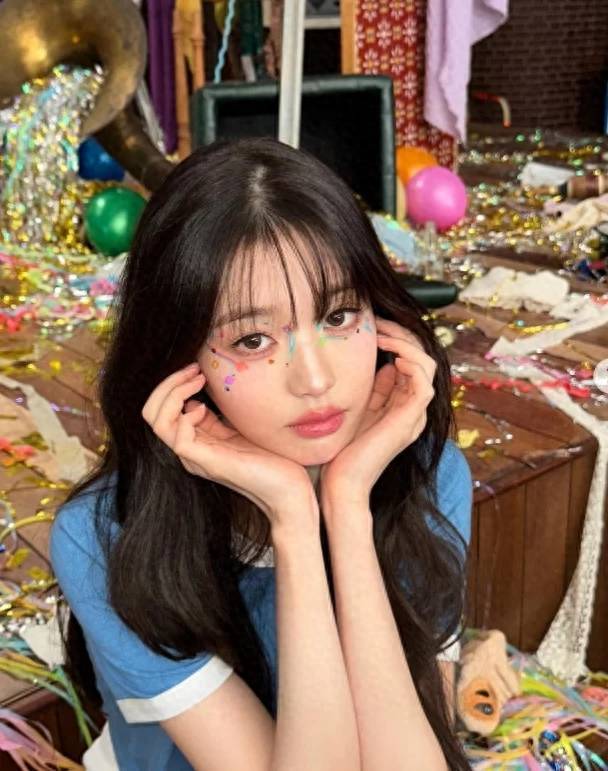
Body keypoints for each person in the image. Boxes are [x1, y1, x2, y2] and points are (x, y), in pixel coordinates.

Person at [50, 137, 473, 770]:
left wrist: (347, 505)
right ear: (180, 360)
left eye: (338, 316)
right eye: (251, 340)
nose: (315, 380)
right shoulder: (103, 537)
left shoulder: (429, 477)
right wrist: (294, 521)